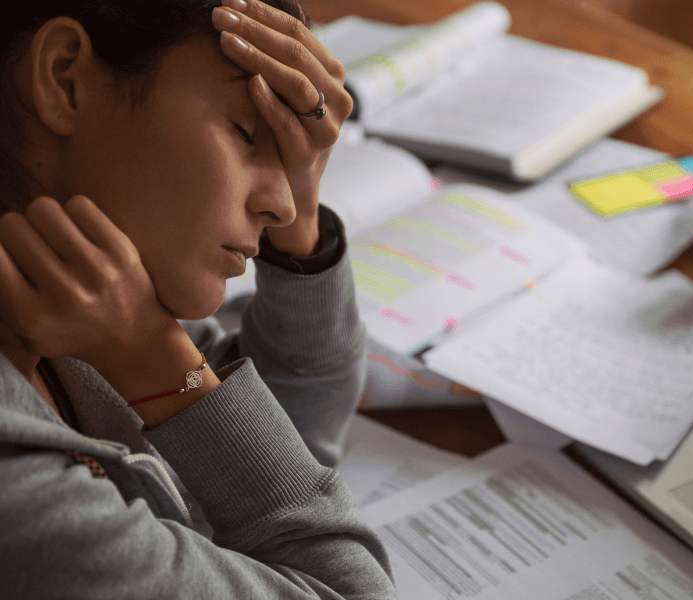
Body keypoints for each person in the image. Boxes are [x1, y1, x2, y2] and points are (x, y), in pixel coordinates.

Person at [0, 0, 398, 597]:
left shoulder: (75, 289)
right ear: (66, 78)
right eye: (246, 132)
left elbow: (284, 437)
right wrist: (156, 360)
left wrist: (303, 229)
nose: (283, 204)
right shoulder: (22, 492)